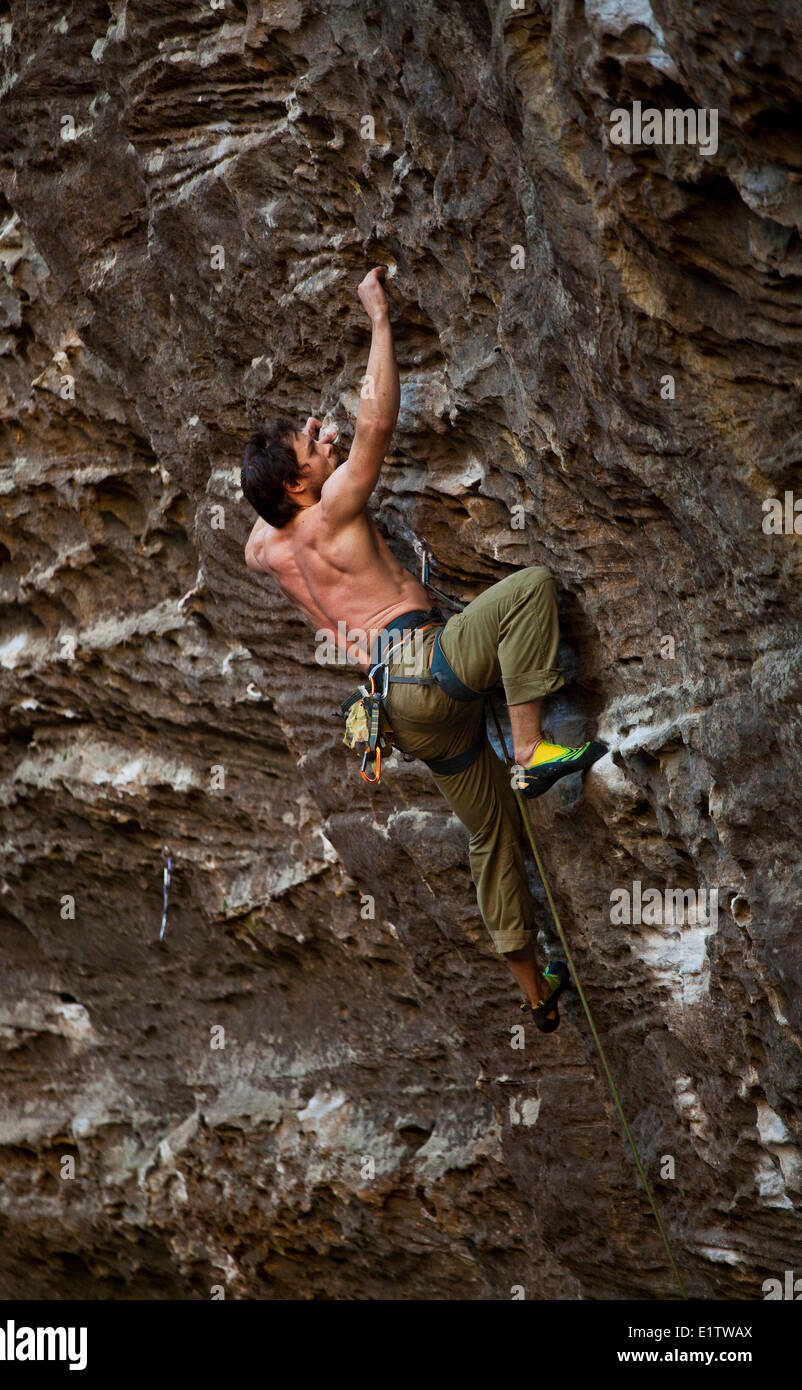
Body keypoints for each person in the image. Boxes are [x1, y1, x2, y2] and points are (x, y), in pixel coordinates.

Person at [241, 266, 607, 1031]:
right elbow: (376, 426)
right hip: (424, 667)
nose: (320, 436)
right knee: (531, 588)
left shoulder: (274, 550)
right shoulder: (333, 508)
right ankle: (534, 751)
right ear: (303, 488)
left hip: (395, 710)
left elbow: (259, 528)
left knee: (489, 832)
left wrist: (303, 467)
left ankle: (534, 991)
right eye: (308, 443)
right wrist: (379, 319)